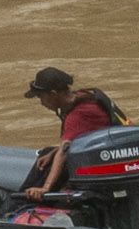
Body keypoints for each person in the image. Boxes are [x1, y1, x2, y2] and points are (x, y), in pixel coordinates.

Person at [18, 65, 128, 193]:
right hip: (108, 151)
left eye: (41, 97)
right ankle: (25, 194)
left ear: (53, 94)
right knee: (48, 153)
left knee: (58, 163)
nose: (41, 102)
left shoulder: (78, 114)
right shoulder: (82, 96)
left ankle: (25, 199)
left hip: (110, 160)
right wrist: (53, 152)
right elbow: (74, 140)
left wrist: (45, 188)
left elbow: (64, 151)